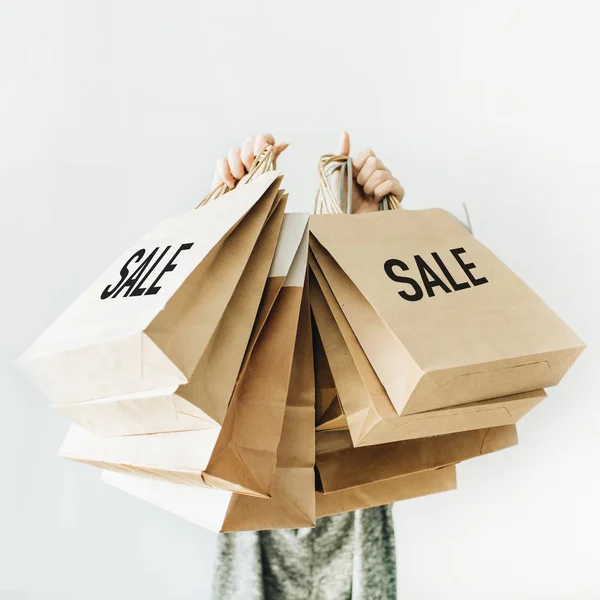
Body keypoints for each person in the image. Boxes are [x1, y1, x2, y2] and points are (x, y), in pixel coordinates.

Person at [211, 133, 404, 600]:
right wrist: (224, 238)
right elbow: (202, 367)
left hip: (353, 498)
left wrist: (370, 247)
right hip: (255, 523)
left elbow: (406, 372)